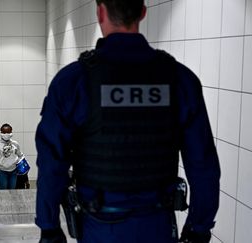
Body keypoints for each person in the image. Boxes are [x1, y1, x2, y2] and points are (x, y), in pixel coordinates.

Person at [35, 1, 221, 243]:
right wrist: (199, 228)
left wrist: (49, 228)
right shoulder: (180, 79)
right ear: (143, 12)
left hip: (99, 229)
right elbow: (203, 165)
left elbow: (51, 163)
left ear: (100, 12)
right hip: (158, 227)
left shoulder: (72, 82)